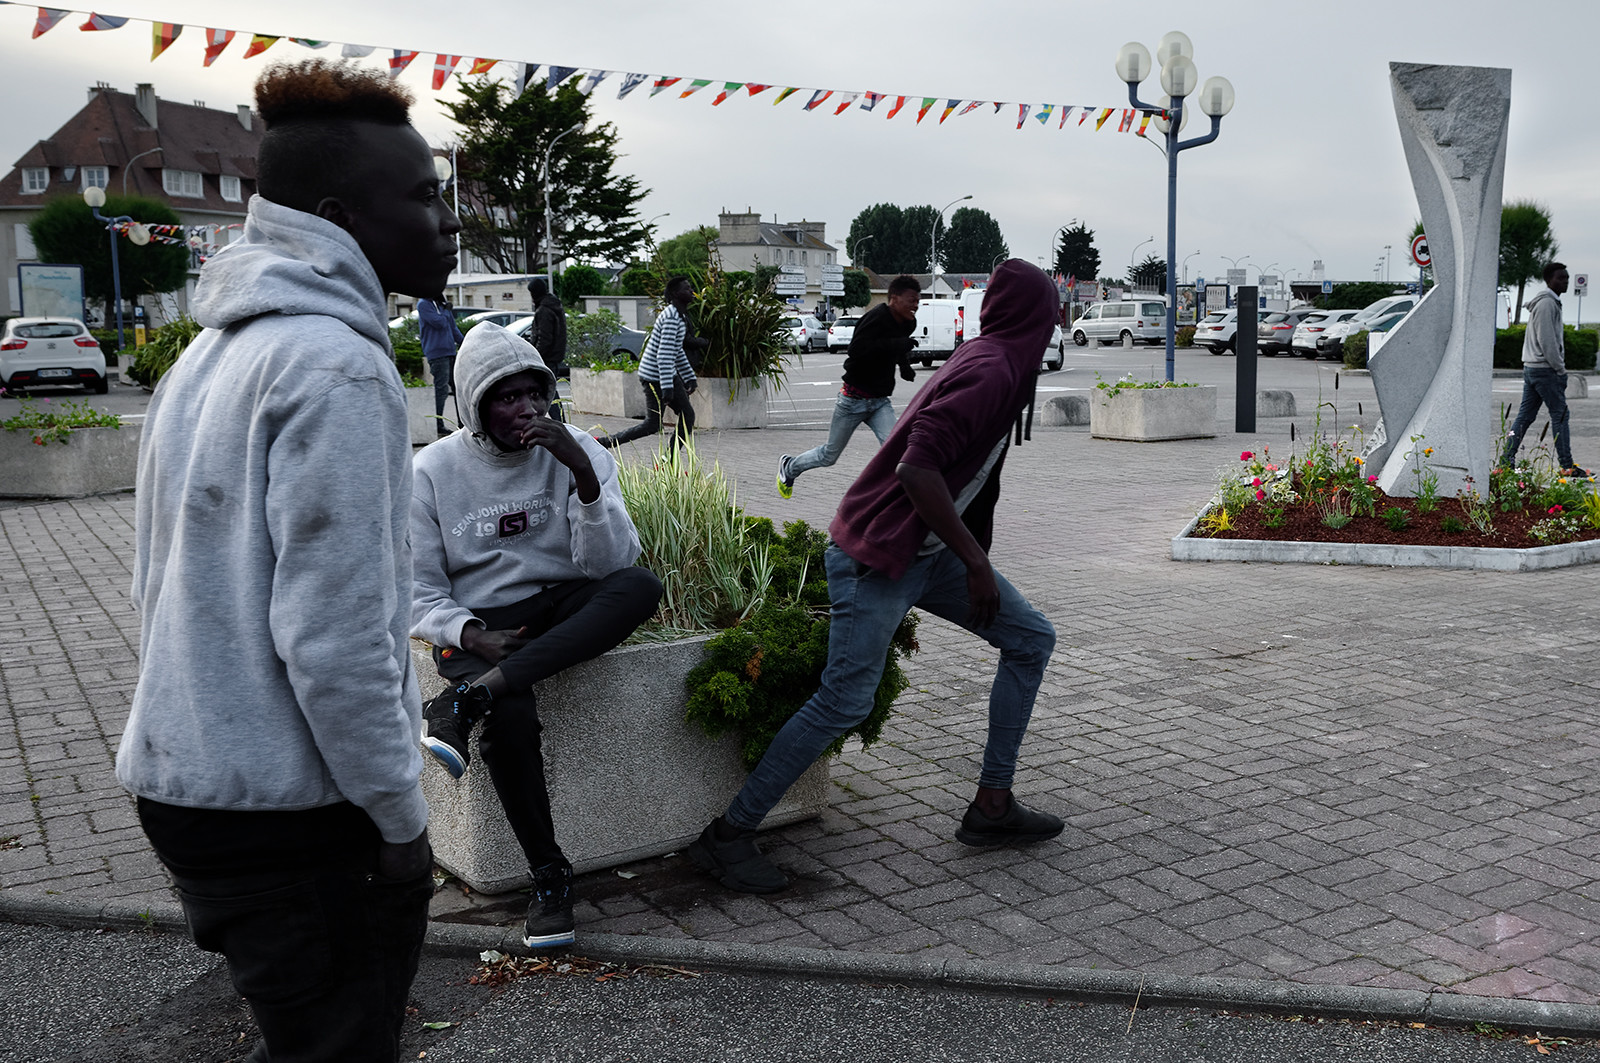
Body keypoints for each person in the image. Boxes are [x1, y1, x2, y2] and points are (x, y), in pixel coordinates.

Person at [116, 60, 459, 1062]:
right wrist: (401, 819)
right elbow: (336, 641)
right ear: (339, 218)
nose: (448, 222)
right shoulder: (338, 368)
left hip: (188, 782)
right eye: (424, 197)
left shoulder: (209, 355)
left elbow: (153, 581)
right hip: (289, 811)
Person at [688, 260, 1064, 894]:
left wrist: (967, 556)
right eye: (1052, 312)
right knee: (845, 700)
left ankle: (993, 806)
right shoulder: (993, 368)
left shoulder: (1000, 362)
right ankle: (727, 837)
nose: (1055, 324)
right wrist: (976, 563)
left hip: (925, 553)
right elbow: (917, 469)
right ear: (1034, 316)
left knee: (1029, 639)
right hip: (878, 554)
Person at [412, 322, 663, 949]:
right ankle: (549, 877)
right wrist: (470, 634)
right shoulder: (432, 470)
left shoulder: (579, 450)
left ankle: (465, 700)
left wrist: (582, 475)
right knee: (511, 722)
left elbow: (611, 566)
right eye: (506, 396)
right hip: (481, 624)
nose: (526, 409)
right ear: (475, 405)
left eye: (535, 393)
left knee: (639, 587)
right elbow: (414, 592)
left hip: (558, 601)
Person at [778, 275, 921, 498]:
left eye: (918, 301)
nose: (916, 305)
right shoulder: (876, 318)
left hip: (879, 402)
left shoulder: (908, 323)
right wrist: (896, 345)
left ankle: (896, 498)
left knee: (896, 450)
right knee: (829, 455)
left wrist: (905, 367)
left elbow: (898, 347)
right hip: (852, 400)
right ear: (894, 298)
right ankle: (790, 466)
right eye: (912, 300)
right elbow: (857, 350)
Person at [596, 275, 706, 451]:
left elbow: (676, 350)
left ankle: (604, 442)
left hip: (660, 375)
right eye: (687, 288)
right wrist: (667, 388)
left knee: (660, 423)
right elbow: (664, 355)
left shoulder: (679, 315)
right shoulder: (671, 317)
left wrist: (689, 378)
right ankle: (668, 461)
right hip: (656, 377)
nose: (691, 291)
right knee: (676, 418)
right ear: (675, 294)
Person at [1502, 262, 1589, 476]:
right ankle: (1567, 467)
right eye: (1561, 278)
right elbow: (1547, 341)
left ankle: (1505, 462)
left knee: (1525, 416)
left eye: (1566, 278)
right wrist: (1560, 369)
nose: (1565, 281)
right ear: (1549, 280)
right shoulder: (1547, 304)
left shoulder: (1548, 303)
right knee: (1560, 415)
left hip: (1533, 368)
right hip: (1545, 370)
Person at [418, 293, 463, 436]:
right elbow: (439, 323)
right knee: (442, 389)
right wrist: (446, 310)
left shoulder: (441, 306)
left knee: (458, 388)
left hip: (450, 352)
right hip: (437, 354)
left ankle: (463, 422)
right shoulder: (424, 304)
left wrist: (464, 342)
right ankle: (438, 425)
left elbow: (452, 327)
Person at [528, 276, 569, 377]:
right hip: (554, 357)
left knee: (544, 384)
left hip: (546, 359)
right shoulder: (554, 306)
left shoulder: (544, 310)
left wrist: (535, 355)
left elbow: (544, 338)